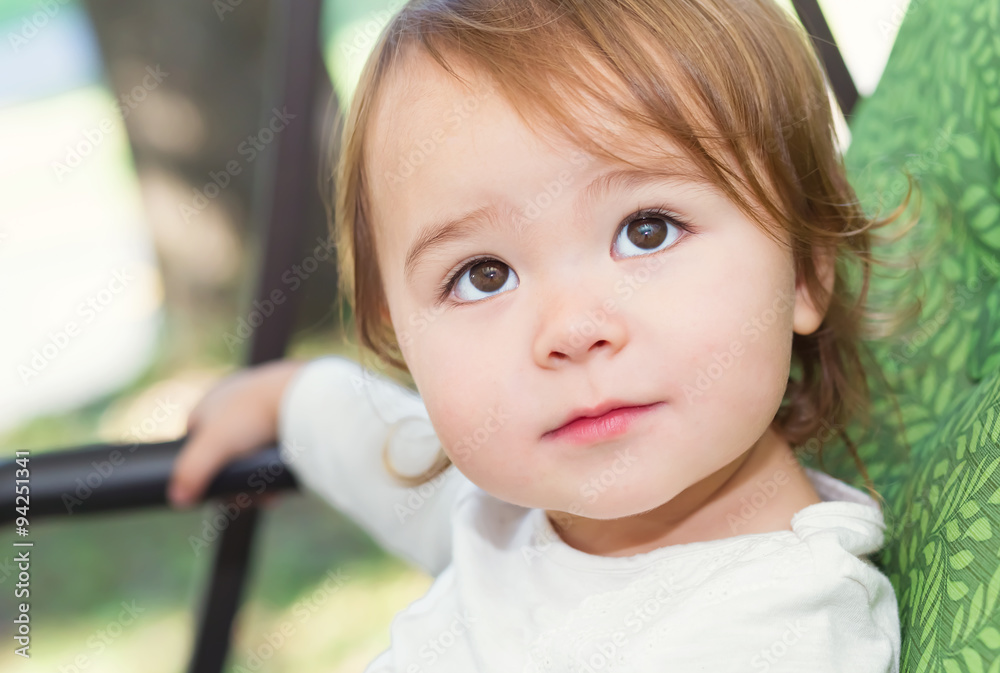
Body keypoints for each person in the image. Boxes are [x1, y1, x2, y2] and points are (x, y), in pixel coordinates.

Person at [169, 0, 915, 669]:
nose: (571, 329)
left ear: (807, 270)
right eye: (483, 275)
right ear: (400, 333)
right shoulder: (518, 512)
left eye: (646, 230)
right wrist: (292, 397)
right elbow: (407, 467)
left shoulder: (782, 628)